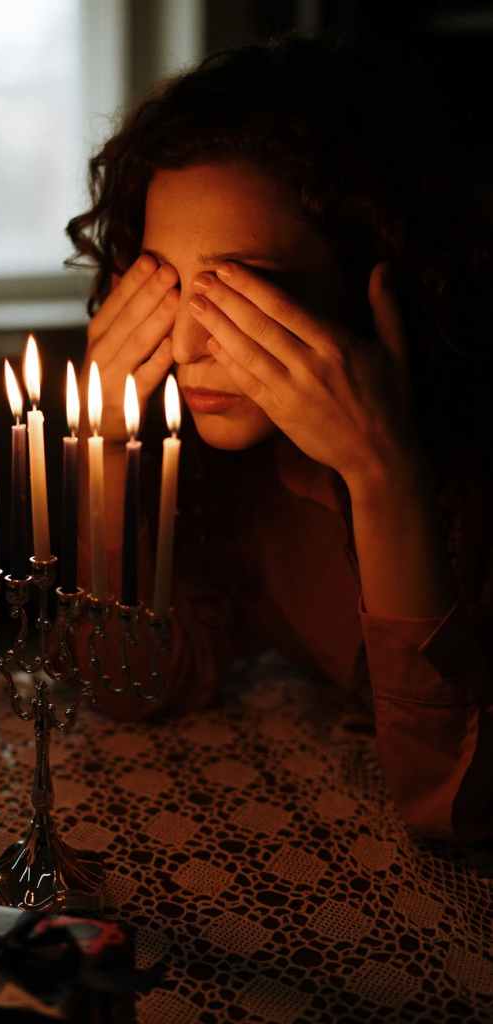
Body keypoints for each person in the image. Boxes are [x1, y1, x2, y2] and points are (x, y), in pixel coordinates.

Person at [65, 36, 493, 843]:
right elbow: (132, 687)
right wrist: (106, 453)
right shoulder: (232, 468)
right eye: (164, 285)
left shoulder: (466, 474)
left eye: (242, 292)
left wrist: (382, 476)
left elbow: (457, 815)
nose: (186, 347)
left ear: (377, 285)